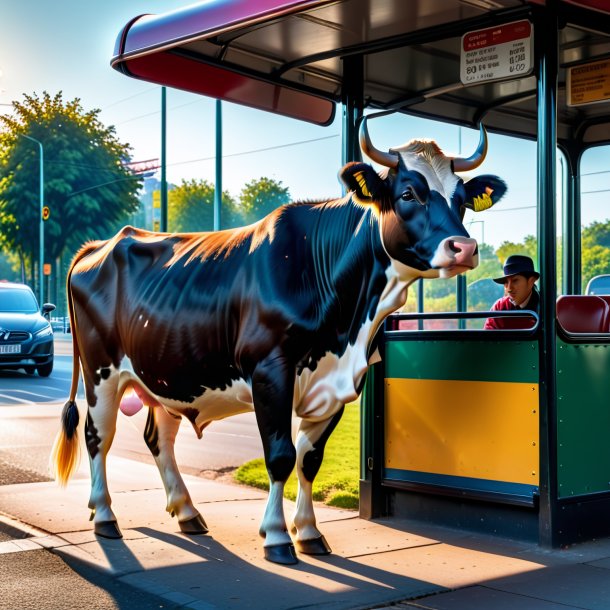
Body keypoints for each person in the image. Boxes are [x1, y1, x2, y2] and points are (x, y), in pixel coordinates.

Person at [484, 255, 540, 329]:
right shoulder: (500, 307)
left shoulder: (547, 308)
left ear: (531, 281)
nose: (509, 289)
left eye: (515, 280)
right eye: (506, 282)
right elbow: (487, 339)